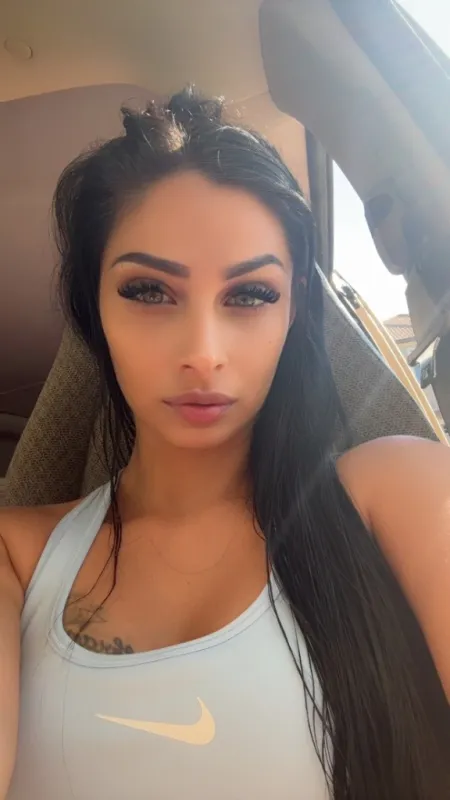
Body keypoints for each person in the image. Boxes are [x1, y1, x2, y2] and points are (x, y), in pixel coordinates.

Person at [0, 88, 449, 800]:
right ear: (94, 310)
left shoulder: (400, 492)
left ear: (293, 309)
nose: (203, 353)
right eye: (149, 291)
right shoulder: (17, 558)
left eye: (251, 295)